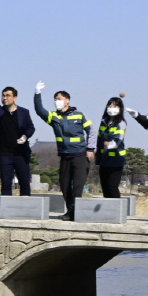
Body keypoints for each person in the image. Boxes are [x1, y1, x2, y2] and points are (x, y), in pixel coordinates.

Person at [34, 83, 94, 221]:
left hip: (80, 155)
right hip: (65, 156)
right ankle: (70, 211)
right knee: (65, 184)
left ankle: (74, 213)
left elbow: (91, 131)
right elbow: (39, 111)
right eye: (55, 99)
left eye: (59, 98)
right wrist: (37, 93)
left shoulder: (78, 115)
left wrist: (90, 149)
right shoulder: (54, 117)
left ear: (67, 100)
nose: (57, 101)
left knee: (78, 186)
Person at [0, 77, 36, 196]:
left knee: (24, 181)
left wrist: (25, 137)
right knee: (6, 182)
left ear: (15, 98)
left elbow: (31, 128)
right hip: (5, 153)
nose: (4, 98)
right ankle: (6, 209)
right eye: (3, 95)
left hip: (21, 153)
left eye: (7, 95)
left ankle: (25, 207)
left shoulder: (23, 112)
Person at [95, 97, 128, 199]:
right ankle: (108, 211)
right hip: (104, 160)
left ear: (120, 108)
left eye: (115, 106)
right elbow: (99, 140)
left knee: (112, 187)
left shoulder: (121, 123)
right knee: (105, 187)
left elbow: (118, 140)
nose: (111, 108)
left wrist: (108, 144)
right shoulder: (104, 122)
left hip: (116, 160)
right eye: (110, 105)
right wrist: (98, 157)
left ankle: (118, 211)